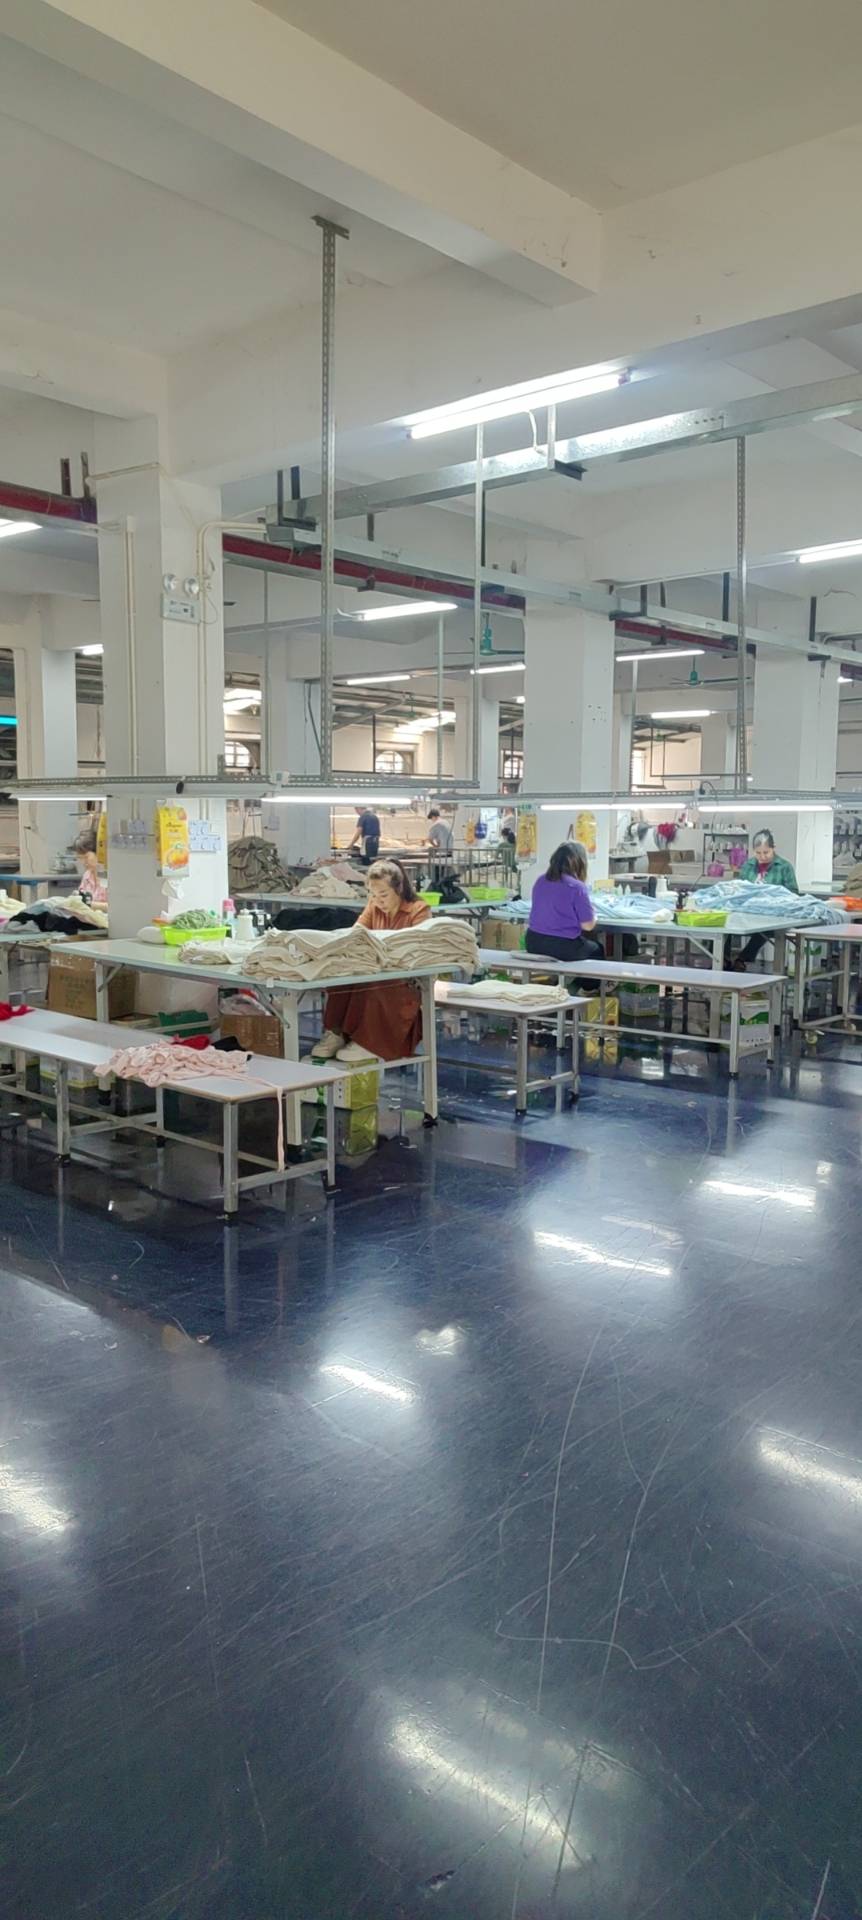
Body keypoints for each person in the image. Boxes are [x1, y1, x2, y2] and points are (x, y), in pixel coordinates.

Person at [311, 858, 431, 1063]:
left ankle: (370, 1041)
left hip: (406, 980)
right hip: (375, 968)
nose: (379, 901)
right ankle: (336, 1032)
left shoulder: (418, 910)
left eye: (383, 895)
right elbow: (356, 934)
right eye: (373, 895)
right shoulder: (373, 907)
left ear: (399, 889)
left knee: (378, 982)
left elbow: (419, 950)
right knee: (341, 976)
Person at [525, 842, 604, 965]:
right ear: (580, 863)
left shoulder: (541, 880)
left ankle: (563, 977)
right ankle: (586, 979)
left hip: (533, 942)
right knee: (597, 949)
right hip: (562, 946)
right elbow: (588, 926)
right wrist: (594, 915)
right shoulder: (576, 887)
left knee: (583, 943)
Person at [731, 828, 799, 969]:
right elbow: (739, 889)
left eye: (766, 852)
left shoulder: (784, 867)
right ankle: (723, 959)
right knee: (727, 922)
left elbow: (793, 893)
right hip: (747, 911)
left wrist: (773, 897)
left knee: (764, 928)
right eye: (758, 853)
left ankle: (742, 958)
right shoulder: (748, 866)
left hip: (772, 913)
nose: (762, 856)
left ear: (774, 848)